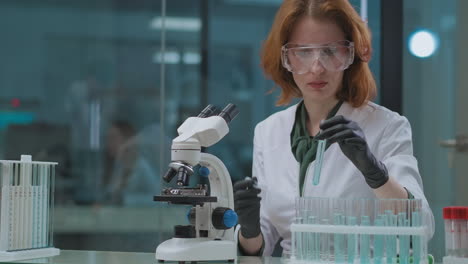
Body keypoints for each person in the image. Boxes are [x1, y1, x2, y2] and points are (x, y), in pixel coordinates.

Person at [233, 0, 435, 256]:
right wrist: (249, 228)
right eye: (303, 52)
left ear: (350, 55)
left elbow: (422, 227)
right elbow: (264, 238)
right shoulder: (268, 131)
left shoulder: (387, 126)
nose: (317, 68)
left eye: (330, 51)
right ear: (285, 58)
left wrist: (376, 174)